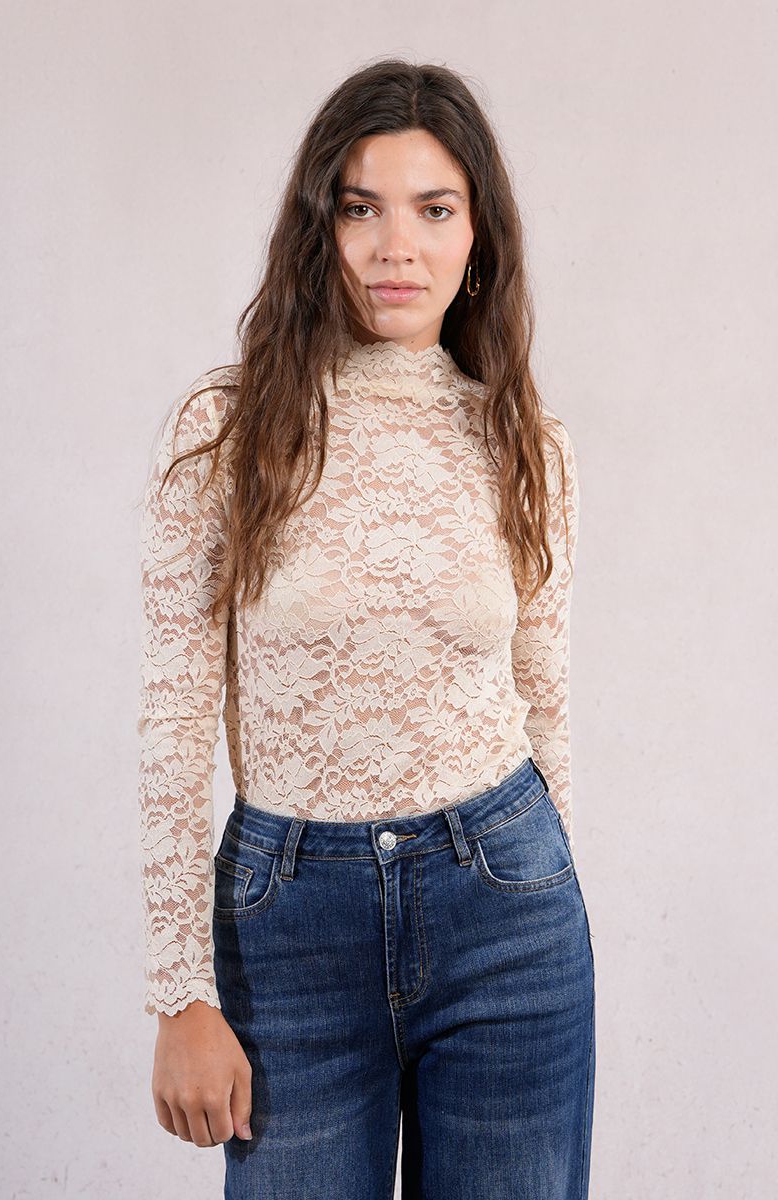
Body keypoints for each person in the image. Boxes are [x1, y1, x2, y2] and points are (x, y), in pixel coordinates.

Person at [137, 57, 595, 1200]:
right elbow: (175, 713)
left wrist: (549, 886)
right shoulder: (226, 432)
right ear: (317, 231)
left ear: (477, 237)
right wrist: (179, 992)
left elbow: (543, 699)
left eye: (433, 210)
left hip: (506, 912)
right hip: (287, 927)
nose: (397, 248)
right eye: (359, 208)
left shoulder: (523, 442)